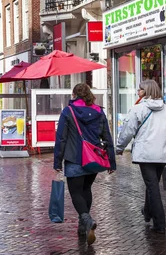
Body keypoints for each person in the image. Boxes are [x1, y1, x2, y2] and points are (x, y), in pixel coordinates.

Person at [53, 83, 116, 245]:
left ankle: (87, 220)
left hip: (74, 158)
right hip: (93, 158)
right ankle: (83, 226)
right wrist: (111, 162)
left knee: (75, 192)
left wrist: (57, 161)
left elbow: (61, 138)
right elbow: (107, 137)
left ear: (74, 95)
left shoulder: (68, 112)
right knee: (86, 189)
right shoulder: (98, 111)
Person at [116, 79, 166, 234]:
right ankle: (148, 211)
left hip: (146, 155)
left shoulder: (138, 109)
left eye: (140, 89)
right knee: (152, 185)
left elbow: (128, 130)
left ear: (146, 92)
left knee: (152, 187)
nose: (138, 92)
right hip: (163, 154)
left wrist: (119, 147)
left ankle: (160, 224)